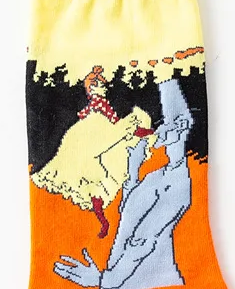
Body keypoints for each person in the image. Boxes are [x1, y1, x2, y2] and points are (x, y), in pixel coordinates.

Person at [53, 78, 193, 289]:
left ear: (181, 127)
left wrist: (103, 279)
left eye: (168, 123)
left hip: (149, 287)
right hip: (123, 286)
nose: (159, 130)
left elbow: (143, 240)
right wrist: (133, 171)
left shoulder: (178, 184)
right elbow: (129, 214)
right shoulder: (157, 176)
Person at [31, 65, 153, 238]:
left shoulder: (99, 99)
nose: (102, 87)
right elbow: (110, 118)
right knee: (96, 174)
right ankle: (103, 222)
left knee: (100, 174)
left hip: (95, 129)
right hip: (93, 130)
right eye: (98, 85)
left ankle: (104, 222)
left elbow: (106, 115)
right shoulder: (96, 98)